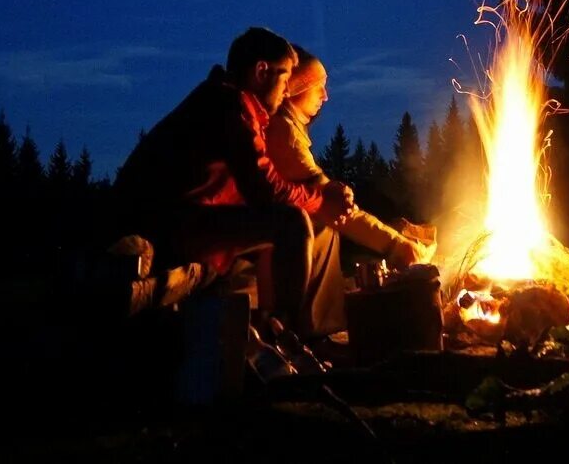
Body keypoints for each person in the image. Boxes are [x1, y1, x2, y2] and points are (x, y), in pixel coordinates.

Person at [112, 27, 355, 337]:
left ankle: (271, 326)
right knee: (290, 223)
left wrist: (315, 197)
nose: (286, 90)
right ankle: (288, 335)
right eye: (284, 78)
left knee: (285, 224)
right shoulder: (229, 106)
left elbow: (258, 184)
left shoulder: (228, 103)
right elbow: (265, 190)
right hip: (166, 225)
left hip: (180, 220)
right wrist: (320, 198)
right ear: (261, 71)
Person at [265, 44, 435, 335]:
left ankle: (315, 327)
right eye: (318, 87)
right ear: (295, 89)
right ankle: (314, 332)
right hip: (271, 240)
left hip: (272, 231)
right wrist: (396, 245)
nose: (325, 96)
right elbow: (337, 211)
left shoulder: (289, 129)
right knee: (320, 224)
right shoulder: (284, 135)